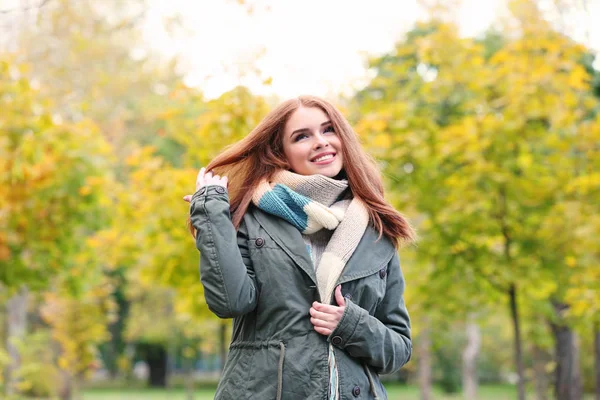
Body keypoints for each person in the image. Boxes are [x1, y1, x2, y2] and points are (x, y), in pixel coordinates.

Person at [183, 95, 415, 400]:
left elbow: (398, 349)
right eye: (302, 136)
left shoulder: (377, 231)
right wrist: (210, 215)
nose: (320, 142)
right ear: (281, 154)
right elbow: (230, 302)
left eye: (328, 130)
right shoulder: (251, 220)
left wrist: (351, 324)